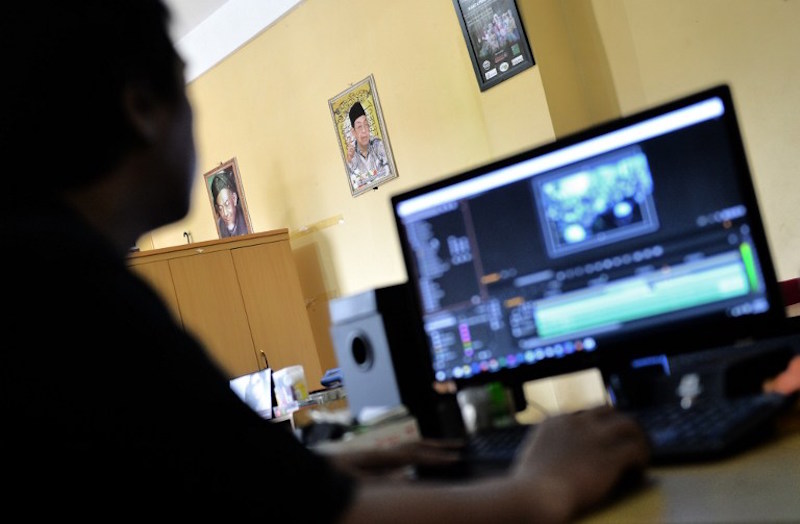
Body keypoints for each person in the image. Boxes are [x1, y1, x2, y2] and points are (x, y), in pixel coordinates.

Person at [0, 1, 649, 521]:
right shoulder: (70, 292)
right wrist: (544, 488)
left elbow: (194, 473)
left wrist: (329, 466)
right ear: (142, 106)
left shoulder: (34, 267)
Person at [345, 101, 390, 188]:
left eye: (366, 125)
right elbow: (355, 184)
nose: (364, 130)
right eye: (359, 126)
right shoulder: (351, 156)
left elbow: (388, 172)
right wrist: (349, 160)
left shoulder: (378, 145)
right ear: (353, 132)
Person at [211, 170, 248, 237]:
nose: (225, 213)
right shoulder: (220, 225)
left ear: (234, 198)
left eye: (227, 204)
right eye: (220, 208)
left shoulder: (245, 217)